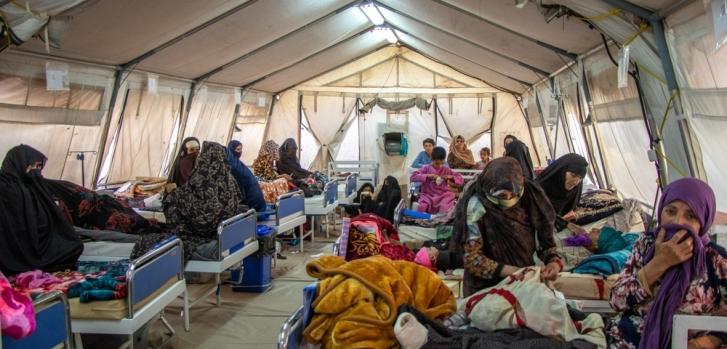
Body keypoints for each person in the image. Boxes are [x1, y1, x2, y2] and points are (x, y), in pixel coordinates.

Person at [608, 178, 727, 349]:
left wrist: (705, 343)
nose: (678, 221)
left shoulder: (715, 259)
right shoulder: (646, 245)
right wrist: (660, 262)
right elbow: (617, 302)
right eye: (670, 211)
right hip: (628, 341)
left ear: (704, 220)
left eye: (691, 215)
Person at [451, 157, 562, 296]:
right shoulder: (476, 206)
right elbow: (473, 259)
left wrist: (554, 262)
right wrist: (515, 272)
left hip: (522, 283)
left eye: (514, 194)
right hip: (486, 289)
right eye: (503, 195)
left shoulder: (529, 196)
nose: (509, 199)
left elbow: (545, 239)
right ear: (488, 189)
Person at [132, 142, 245, 262]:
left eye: (200, 153)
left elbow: (193, 206)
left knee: (168, 215)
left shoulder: (202, 178)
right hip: (223, 228)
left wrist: (173, 194)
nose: (198, 156)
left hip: (204, 231)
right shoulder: (230, 180)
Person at [0, 145, 83, 275]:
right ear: (21, 163)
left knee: (74, 246)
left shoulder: (31, 186)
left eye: (40, 167)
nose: (38, 171)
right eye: (35, 166)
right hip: (16, 247)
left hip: (38, 240)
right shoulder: (6, 189)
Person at [536, 153, 588, 228]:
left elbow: (571, 209)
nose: (576, 182)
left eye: (580, 178)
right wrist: (561, 221)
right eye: (573, 175)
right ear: (561, 171)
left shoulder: (575, 189)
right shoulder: (539, 189)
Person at [410, 147, 464, 214]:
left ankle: (441, 218)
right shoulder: (426, 168)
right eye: (437, 164)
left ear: (444, 160)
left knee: (446, 204)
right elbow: (413, 177)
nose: (439, 166)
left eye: (441, 163)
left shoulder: (446, 169)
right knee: (422, 207)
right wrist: (428, 176)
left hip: (443, 194)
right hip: (428, 195)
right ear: (432, 159)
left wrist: (451, 177)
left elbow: (460, 179)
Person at [227, 140, 266, 213]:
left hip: (253, 206)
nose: (240, 152)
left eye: (241, 149)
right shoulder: (237, 165)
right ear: (231, 149)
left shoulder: (235, 166)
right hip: (258, 205)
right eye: (238, 149)